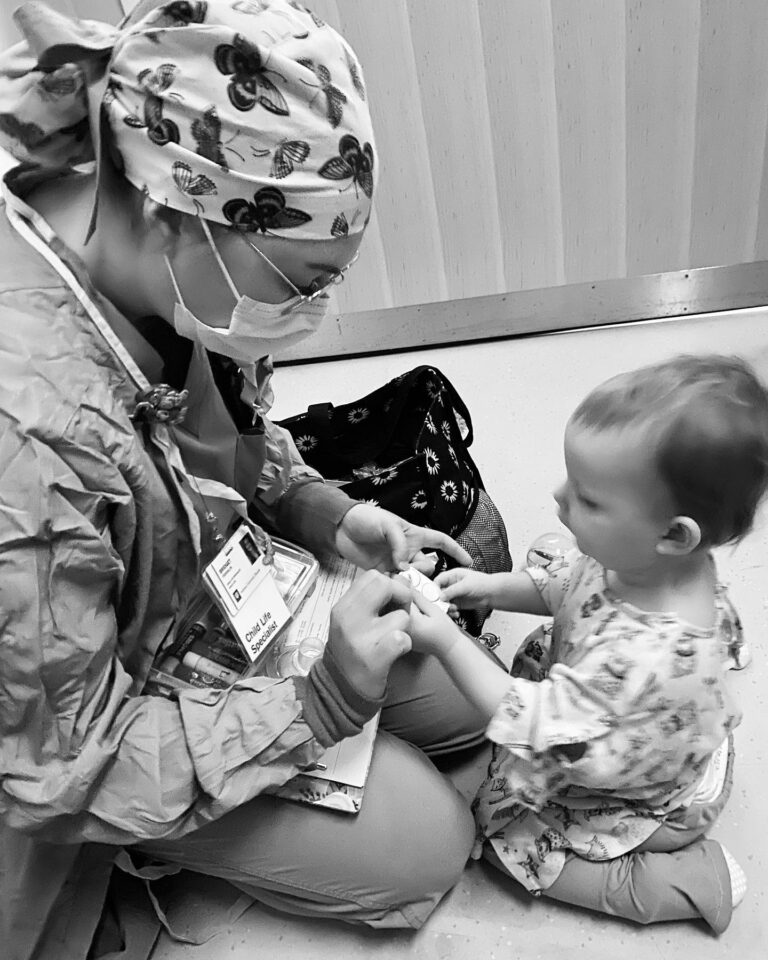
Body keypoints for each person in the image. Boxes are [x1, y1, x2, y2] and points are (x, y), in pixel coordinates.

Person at [0, 3, 486, 957]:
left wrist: (324, 511)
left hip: (189, 606)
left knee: (467, 690)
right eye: (301, 280)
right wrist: (316, 705)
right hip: (79, 732)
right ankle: (152, 857)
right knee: (431, 843)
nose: (313, 311)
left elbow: (220, 433)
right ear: (173, 210)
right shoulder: (29, 442)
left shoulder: (155, 256)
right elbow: (63, 761)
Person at [406, 354, 768, 934]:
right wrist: (488, 587)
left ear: (674, 535)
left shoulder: (639, 660)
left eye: (588, 499)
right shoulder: (652, 562)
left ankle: (690, 882)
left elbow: (531, 719)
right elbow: (564, 585)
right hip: (664, 723)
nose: (557, 498)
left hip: (646, 802)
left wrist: (447, 642)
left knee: (514, 849)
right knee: (537, 646)